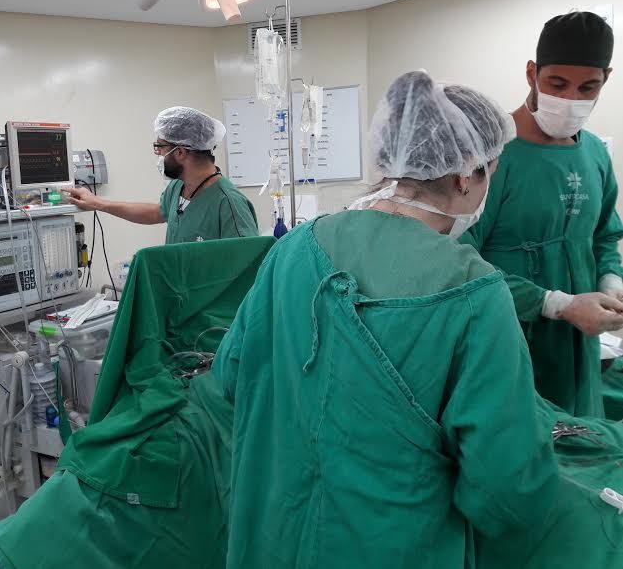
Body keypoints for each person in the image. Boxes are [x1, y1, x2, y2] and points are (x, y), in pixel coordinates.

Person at [214, 71, 558, 568]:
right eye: (493, 172)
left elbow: (231, 375)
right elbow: (506, 492)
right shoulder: (474, 291)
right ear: (466, 175)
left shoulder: (292, 249)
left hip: (272, 537)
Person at [462, 11, 623, 417]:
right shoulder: (490, 156)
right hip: (508, 342)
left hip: (578, 353)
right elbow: (460, 262)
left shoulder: (594, 154)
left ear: (606, 78)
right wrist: (553, 304)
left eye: (588, 87)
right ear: (532, 73)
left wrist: (610, 279)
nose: (570, 99)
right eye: (557, 84)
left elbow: (603, 235)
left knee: (581, 442)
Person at [63, 106, 258, 244]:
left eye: (160, 147)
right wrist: (97, 203)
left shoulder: (229, 204)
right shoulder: (179, 187)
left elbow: (247, 265)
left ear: (180, 152)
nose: (158, 154)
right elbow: (158, 212)